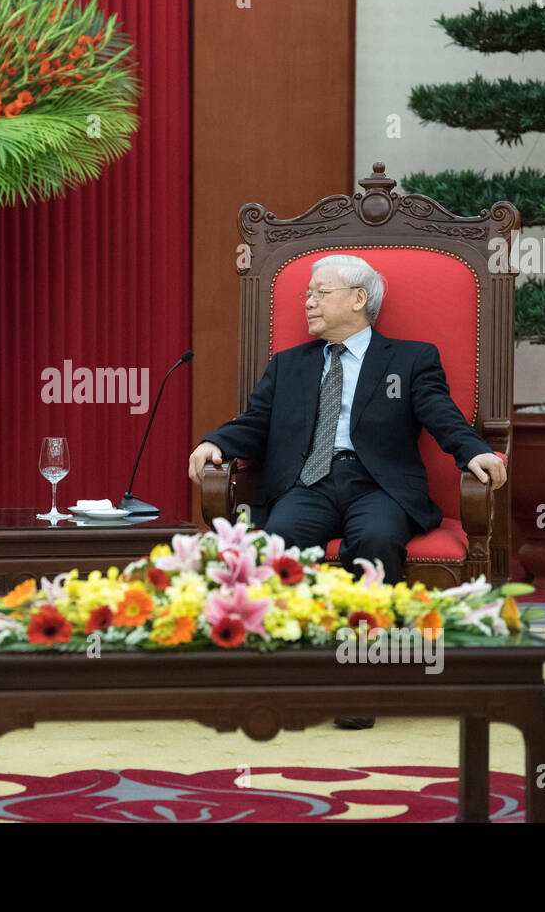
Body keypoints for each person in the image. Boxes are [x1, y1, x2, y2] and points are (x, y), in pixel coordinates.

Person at [188, 254, 507, 728]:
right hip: (307, 483)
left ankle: (363, 677)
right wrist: (217, 442)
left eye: (320, 292)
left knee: (376, 543)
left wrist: (474, 452)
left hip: (378, 486)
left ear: (358, 299)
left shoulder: (410, 359)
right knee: (279, 543)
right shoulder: (288, 365)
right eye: (307, 294)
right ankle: (289, 671)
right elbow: (255, 423)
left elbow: (440, 412)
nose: (309, 303)